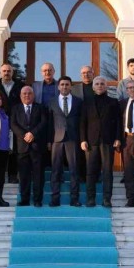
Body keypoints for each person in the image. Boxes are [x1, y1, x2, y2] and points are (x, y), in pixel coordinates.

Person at [80, 76, 122, 208]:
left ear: (106, 86)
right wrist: (83, 139)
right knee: (90, 171)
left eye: (102, 84)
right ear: (93, 87)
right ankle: (90, 199)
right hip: (91, 141)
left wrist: (118, 138)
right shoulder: (86, 102)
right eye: (97, 84)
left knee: (107, 171)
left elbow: (119, 122)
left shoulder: (113, 102)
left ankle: (107, 199)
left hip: (108, 141)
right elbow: (82, 122)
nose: (99, 86)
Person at [0, 63, 26, 184]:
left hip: (16, 120)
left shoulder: (20, 86)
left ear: (12, 73)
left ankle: (13, 175)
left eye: (9, 71)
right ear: (0, 73)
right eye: (4, 71)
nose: (6, 73)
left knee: (14, 148)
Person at [47, 76, 83, 207]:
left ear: (71, 86)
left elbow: (81, 122)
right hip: (57, 139)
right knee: (56, 170)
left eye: (67, 84)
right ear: (58, 86)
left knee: (74, 170)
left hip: (73, 139)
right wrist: (49, 141)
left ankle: (74, 199)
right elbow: (49, 123)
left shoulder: (79, 101)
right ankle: (55, 198)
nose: (64, 87)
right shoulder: (52, 102)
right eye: (62, 84)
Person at [10, 86, 48, 207]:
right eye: (24, 93)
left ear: (33, 95)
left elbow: (44, 122)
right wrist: (24, 135)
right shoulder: (15, 108)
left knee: (38, 175)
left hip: (37, 146)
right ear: (20, 96)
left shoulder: (40, 108)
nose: (27, 95)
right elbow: (13, 124)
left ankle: (37, 200)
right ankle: (25, 200)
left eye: (29, 93)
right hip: (22, 147)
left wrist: (33, 134)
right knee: (24, 175)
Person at [71, 65, 95, 183]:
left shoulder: (98, 86)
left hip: (94, 124)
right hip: (78, 123)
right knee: (79, 150)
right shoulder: (74, 89)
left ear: (93, 73)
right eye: (83, 73)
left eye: (88, 72)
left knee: (94, 151)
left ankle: (94, 175)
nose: (86, 74)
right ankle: (81, 176)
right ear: (81, 75)